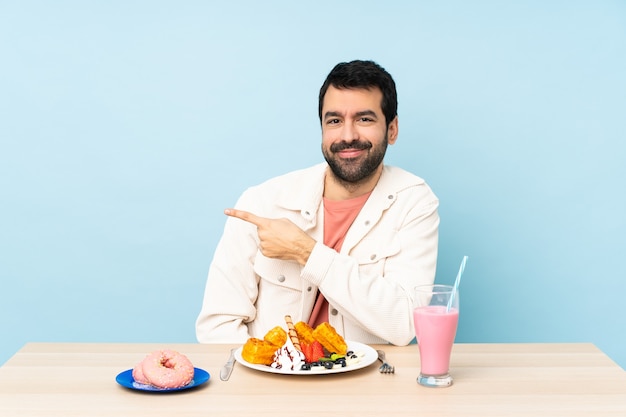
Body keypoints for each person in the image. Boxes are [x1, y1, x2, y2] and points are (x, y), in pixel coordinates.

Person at [196, 60, 439, 346]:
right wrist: (267, 374)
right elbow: (217, 327)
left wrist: (306, 252)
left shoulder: (413, 202)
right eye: (334, 121)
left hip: (368, 385)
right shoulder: (263, 203)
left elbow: (404, 324)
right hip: (274, 384)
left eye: (364, 119)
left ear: (392, 129)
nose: (348, 136)